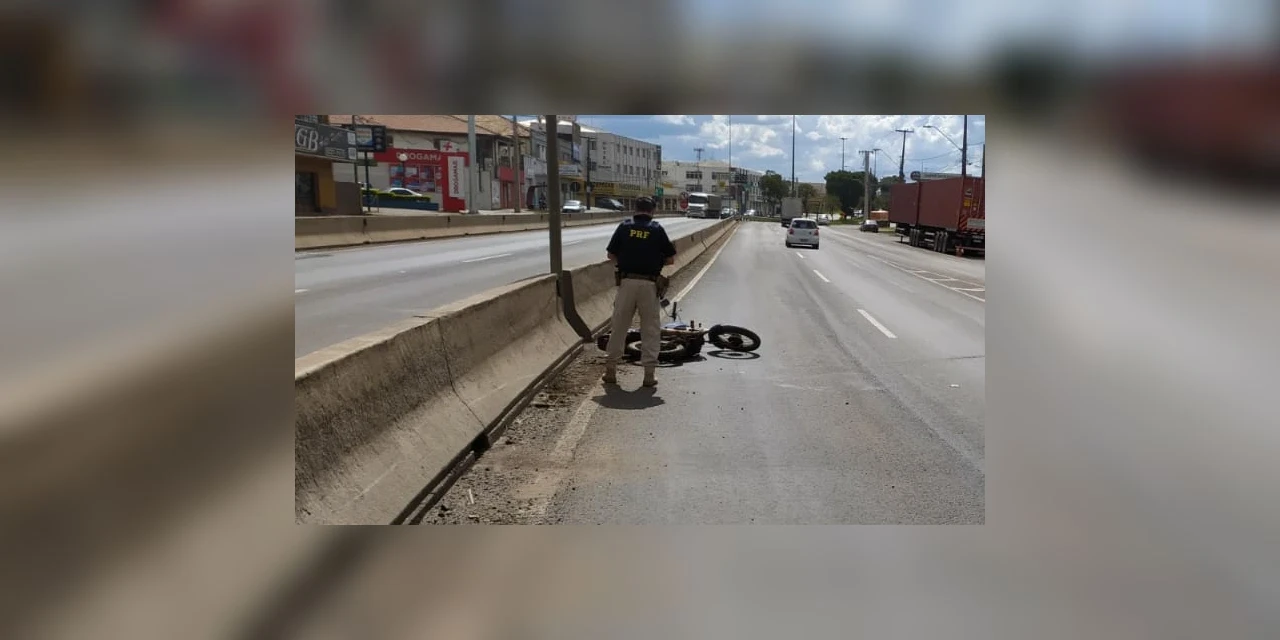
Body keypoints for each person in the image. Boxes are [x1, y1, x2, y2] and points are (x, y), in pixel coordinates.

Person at [603, 196, 676, 387]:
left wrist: (627, 260)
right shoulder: (657, 229)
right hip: (649, 285)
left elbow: (610, 254)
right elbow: (671, 259)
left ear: (635, 209)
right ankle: (649, 375)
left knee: (619, 327)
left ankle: (610, 370)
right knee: (650, 329)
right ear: (653, 211)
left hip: (626, 283)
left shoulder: (624, 227)